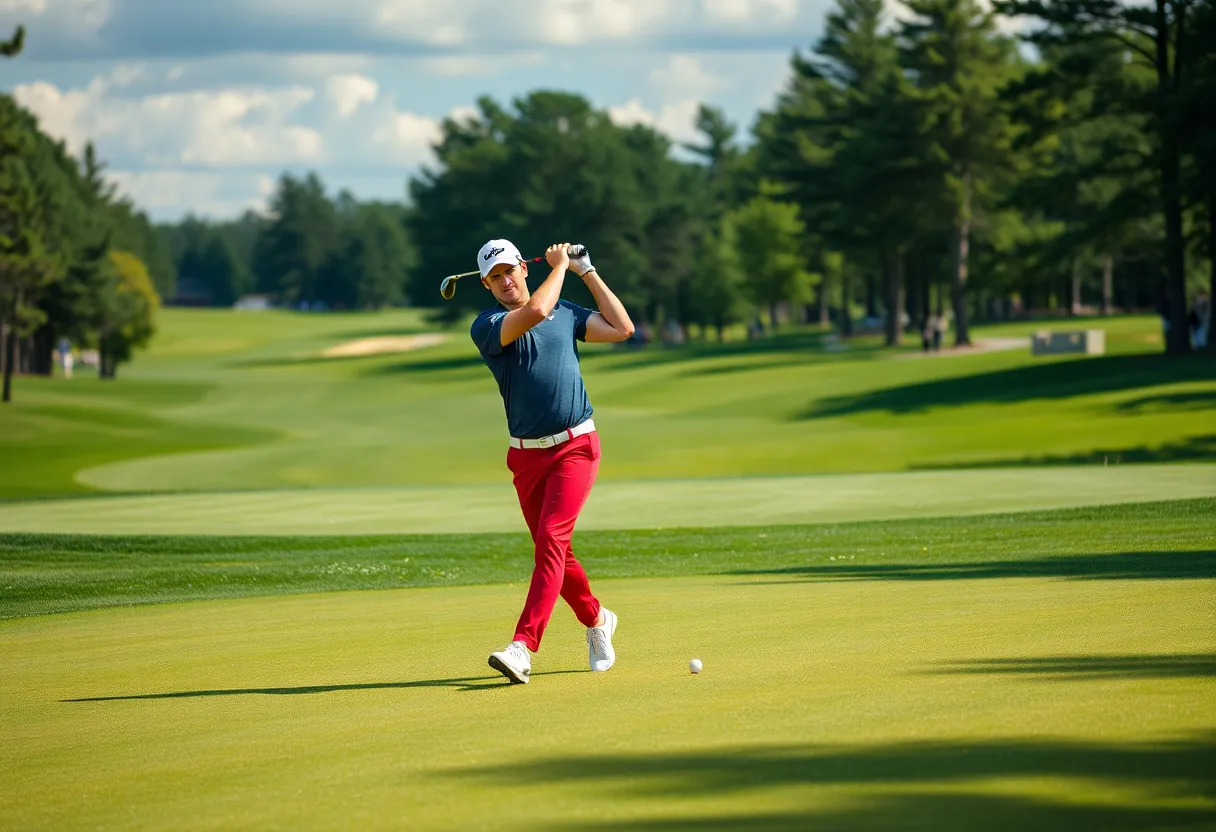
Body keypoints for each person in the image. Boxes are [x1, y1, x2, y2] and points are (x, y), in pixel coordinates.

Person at [470, 239, 635, 685]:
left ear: (524, 268)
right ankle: (598, 620)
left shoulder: (564, 310)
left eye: (509, 271)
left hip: (575, 447)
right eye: (494, 278)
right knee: (558, 552)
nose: (505, 282)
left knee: (549, 543)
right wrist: (559, 267)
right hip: (525, 458)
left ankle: (522, 647)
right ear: (487, 286)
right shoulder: (488, 325)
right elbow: (536, 313)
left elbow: (622, 329)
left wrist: (586, 271)